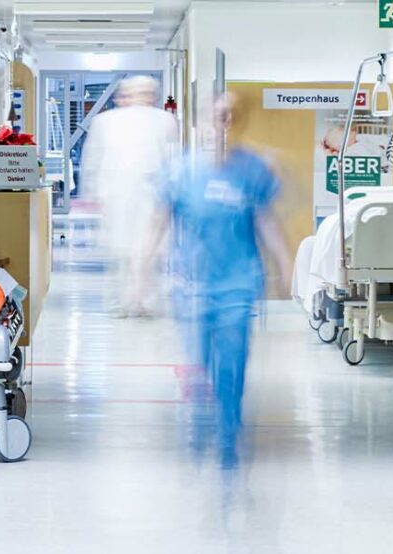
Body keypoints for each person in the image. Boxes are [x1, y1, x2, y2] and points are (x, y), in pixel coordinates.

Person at [154, 92, 293, 461]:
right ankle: (201, 421)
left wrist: (285, 266)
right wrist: (140, 272)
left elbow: (267, 222)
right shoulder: (181, 171)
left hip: (238, 283)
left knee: (231, 362)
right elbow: (159, 223)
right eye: (216, 115)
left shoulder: (252, 171)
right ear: (200, 122)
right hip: (192, 283)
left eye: (231, 115)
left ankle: (229, 432)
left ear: (238, 122)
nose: (223, 123)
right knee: (198, 361)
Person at [80, 75, 178, 317]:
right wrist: (93, 194)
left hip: (152, 197)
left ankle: (148, 302)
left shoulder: (165, 120)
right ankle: (122, 302)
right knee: (121, 254)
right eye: (135, 92)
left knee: (150, 252)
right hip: (118, 197)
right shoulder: (105, 122)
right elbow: (92, 158)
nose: (141, 98)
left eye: (146, 93)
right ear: (123, 96)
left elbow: (173, 160)